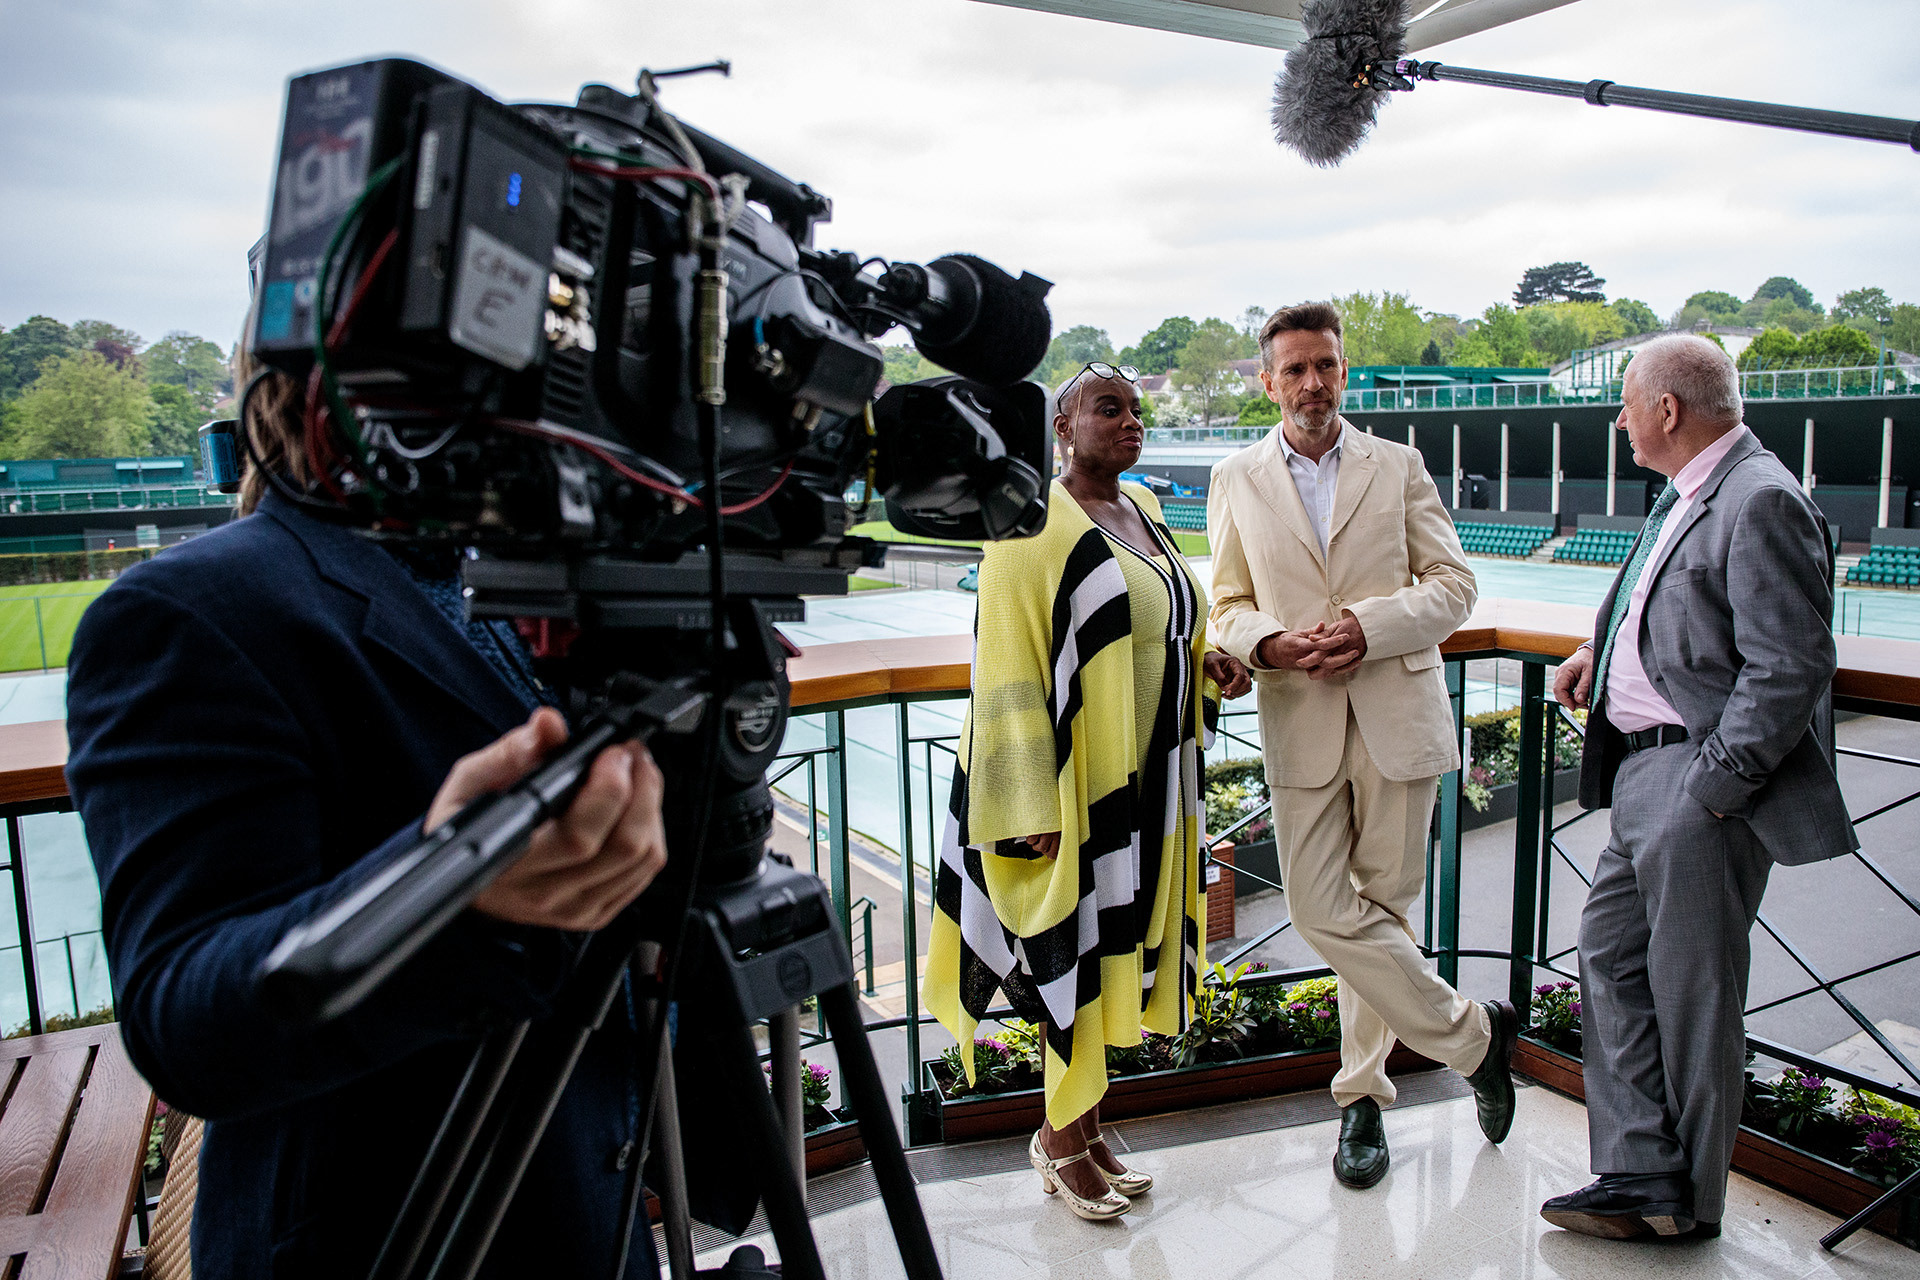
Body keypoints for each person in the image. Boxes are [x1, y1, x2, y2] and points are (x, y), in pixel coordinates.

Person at [65, 352, 672, 1279]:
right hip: (377, 1240)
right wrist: (456, 892)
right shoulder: (185, 609)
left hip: (585, 1215)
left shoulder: (533, 576)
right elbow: (183, 1018)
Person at [1543, 335, 1856, 1241]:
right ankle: (1638, 1169)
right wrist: (1595, 657)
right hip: (1648, 770)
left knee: (1694, 993)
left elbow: (1791, 665)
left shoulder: (1759, 498)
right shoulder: (1689, 494)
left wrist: (1714, 788)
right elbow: (1671, 613)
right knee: (1609, 959)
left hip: (1697, 781)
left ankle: (1688, 1201)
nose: (1620, 420)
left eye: (1628, 404)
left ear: (1668, 410)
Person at [924, 362, 1252, 1220]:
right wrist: (1022, 804)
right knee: (1071, 950)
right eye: (1108, 408)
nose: (1130, 421)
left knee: (1116, 954)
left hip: (1148, 787)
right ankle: (1060, 1141)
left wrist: (1205, 665)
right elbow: (1003, 671)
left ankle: (1090, 1125)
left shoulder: (1139, 511)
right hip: (1073, 794)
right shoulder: (1031, 525)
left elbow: (1163, 627)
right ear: (1062, 427)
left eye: (1137, 409)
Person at [1206, 302, 1518, 1190]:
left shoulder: (1400, 465)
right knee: (1320, 910)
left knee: (1384, 911)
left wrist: (1370, 627)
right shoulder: (1237, 477)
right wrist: (1266, 643)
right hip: (1298, 717)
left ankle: (1362, 1101)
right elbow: (1224, 603)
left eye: (1327, 366)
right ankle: (1474, 1040)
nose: (1313, 383)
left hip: (1397, 720)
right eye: (1295, 369)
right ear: (1268, 382)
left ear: (1346, 372)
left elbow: (1454, 585)